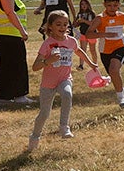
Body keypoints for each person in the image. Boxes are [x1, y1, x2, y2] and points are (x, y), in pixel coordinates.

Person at [27, 11, 99, 151]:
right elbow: (35, 67)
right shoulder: (47, 44)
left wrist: (91, 64)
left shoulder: (71, 41)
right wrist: (48, 61)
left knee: (67, 94)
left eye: (65, 24)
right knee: (44, 114)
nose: (62, 27)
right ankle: (35, 137)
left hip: (64, 79)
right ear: (50, 26)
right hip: (48, 84)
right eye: (58, 24)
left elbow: (79, 51)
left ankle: (64, 127)